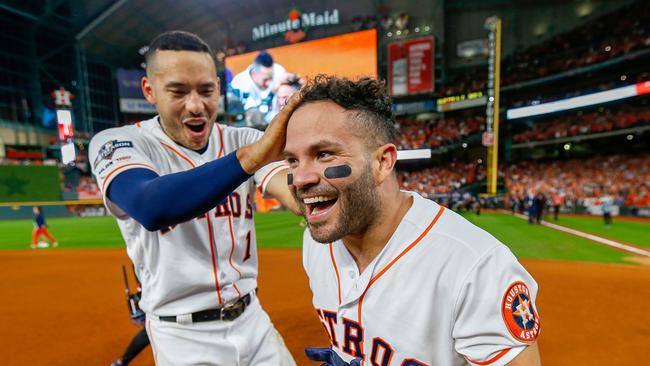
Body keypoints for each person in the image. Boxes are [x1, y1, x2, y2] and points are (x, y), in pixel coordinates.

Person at [283, 75, 542, 365]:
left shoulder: (474, 265)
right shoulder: (317, 242)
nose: (301, 178)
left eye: (324, 154)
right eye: (292, 160)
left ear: (383, 162)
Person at [89, 31, 299, 365]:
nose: (196, 105)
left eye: (206, 90)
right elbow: (151, 206)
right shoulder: (116, 142)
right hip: (182, 337)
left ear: (218, 87)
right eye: (178, 91)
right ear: (149, 91)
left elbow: (294, 192)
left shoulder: (242, 138)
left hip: (252, 319)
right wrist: (248, 159)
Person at [230, 50, 287, 126]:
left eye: (271, 78)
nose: (269, 83)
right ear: (254, 74)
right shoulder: (239, 83)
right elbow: (254, 118)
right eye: (265, 79)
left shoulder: (279, 72)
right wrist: (272, 93)